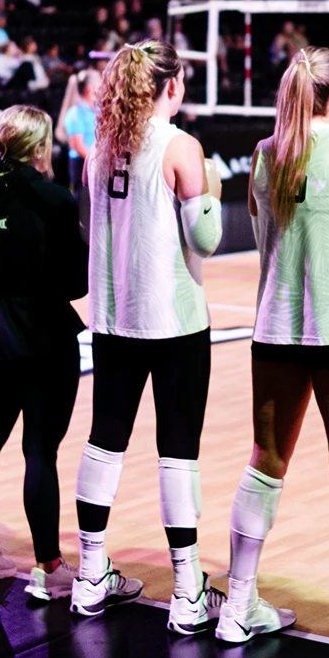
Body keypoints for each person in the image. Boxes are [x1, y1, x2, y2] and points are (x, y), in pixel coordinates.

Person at [221, 47, 329, 658]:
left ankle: (237, 606)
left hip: (274, 331)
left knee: (263, 465)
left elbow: (263, 225)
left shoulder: (263, 154)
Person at [71, 40, 224, 627]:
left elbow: (93, 227)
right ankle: (188, 590)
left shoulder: (100, 149)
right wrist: (210, 186)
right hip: (173, 319)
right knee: (178, 449)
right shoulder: (181, 146)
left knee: (103, 440)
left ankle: (90, 574)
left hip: (114, 318)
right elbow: (206, 238)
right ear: (171, 86)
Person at [0, 107, 87, 598]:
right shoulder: (56, 199)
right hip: (45, 334)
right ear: (41, 147)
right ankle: (48, 567)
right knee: (40, 452)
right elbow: (76, 283)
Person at [57, 70, 97, 194]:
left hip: (93, 162)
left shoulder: (96, 110)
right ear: (90, 88)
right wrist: (98, 163)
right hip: (82, 164)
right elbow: (78, 146)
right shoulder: (75, 113)